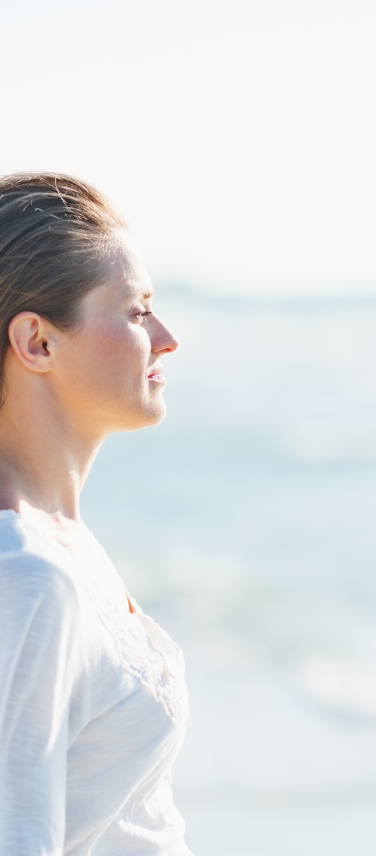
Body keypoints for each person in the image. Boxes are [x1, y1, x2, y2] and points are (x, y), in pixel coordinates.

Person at [0, 173, 190, 855]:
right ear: (39, 343)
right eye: (137, 312)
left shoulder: (60, 542)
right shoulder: (25, 578)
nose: (166, 338)